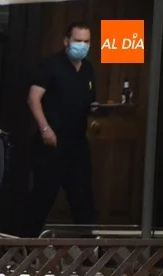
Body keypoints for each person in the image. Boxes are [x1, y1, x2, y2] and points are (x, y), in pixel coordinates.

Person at [23, 22, 98, 237]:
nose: (82, 46)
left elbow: (88, 101)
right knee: (43, 195)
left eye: (86, 42)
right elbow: (33, 99)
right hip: (52, 142)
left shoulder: (88, 69)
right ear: (67, 41)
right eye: (78, 41)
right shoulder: (51, 65)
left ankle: (90, 254)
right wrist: (45, 129)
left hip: (77, 143)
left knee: (82, 197)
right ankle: (23, 248)